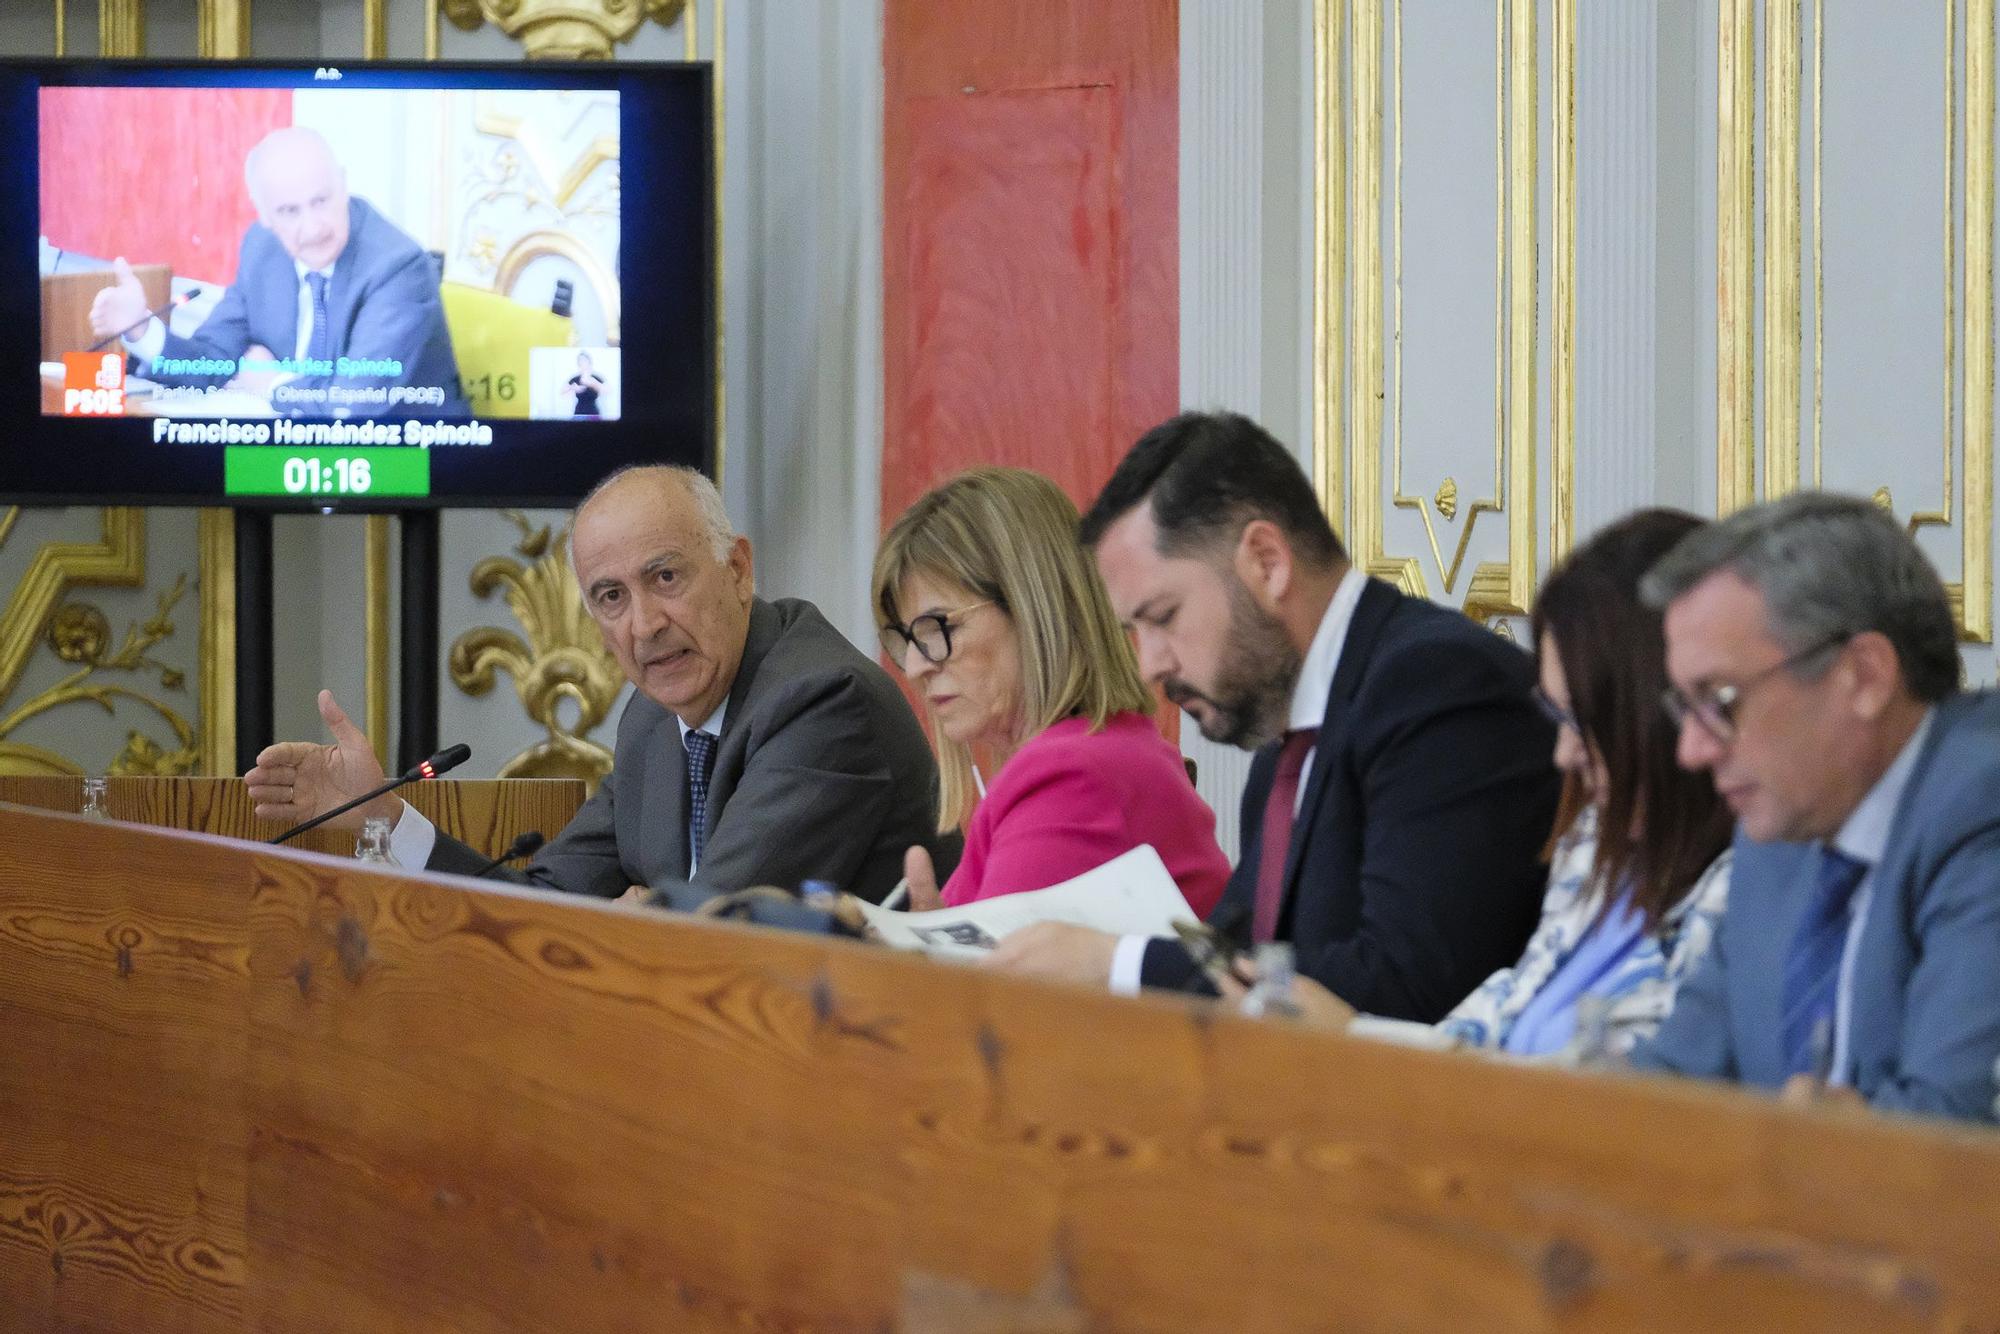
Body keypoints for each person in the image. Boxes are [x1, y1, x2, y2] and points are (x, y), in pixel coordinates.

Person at [986, 411, 1560, 1022]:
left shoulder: (1440, 686)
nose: (1150, 666)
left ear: (1266, 561)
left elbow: (1406, 983)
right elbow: (1242, 960)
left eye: (1163, 617)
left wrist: (1119, 964)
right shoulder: (1283, 748)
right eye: (1135, 631)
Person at [246, 464, 948, 906]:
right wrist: (384, 820)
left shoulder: (821, 702)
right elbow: (539, 906)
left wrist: (649, 917)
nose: (643, 625)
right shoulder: (653, 722)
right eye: (611, 597)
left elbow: (712, 930)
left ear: (737, 569)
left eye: (665, 577)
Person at [1628, 491, 2000, 1123]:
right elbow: (1673, 1084)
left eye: (1719, 701)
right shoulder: (1786, 824)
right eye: (1683, 709)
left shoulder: (1979, 809)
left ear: (1864, 677)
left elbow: (1949, 1142)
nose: (1690, 750)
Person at [1435, 509, 1734, 1060]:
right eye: (1557, 717)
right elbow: (1513, 1001)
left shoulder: (1749, 886)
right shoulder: (1597, 836)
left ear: (1659, 717)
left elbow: (1646, 1097)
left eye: (1583, 722)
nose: (1563, 754)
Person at [873, 468, 1229, 915]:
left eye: (937, 627)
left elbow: (994, 984)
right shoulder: (1092, 757)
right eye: (906, 638)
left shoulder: (1073, 777)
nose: (915, 665)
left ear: (1031, 609)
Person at [88, 125, 468, 417]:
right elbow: (215, 361)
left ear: (344, 184)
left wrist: (271, 383)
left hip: (410, 462)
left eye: (321, 201)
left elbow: (355, 402)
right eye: (290, 211)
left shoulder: (397, 267)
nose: (313, 227)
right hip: (292, 449)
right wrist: (140, 329)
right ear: (266, 216)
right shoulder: (262, 248)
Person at [565, 351, 606, 418]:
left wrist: (593, 384)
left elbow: (607, 391)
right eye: (580, 361)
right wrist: (572, 388)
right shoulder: (575, 378)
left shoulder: (595, 377)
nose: (582, 363)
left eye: (584, 360)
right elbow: (562, 392)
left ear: (589, 362)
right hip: (579, 412)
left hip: (593, 412)